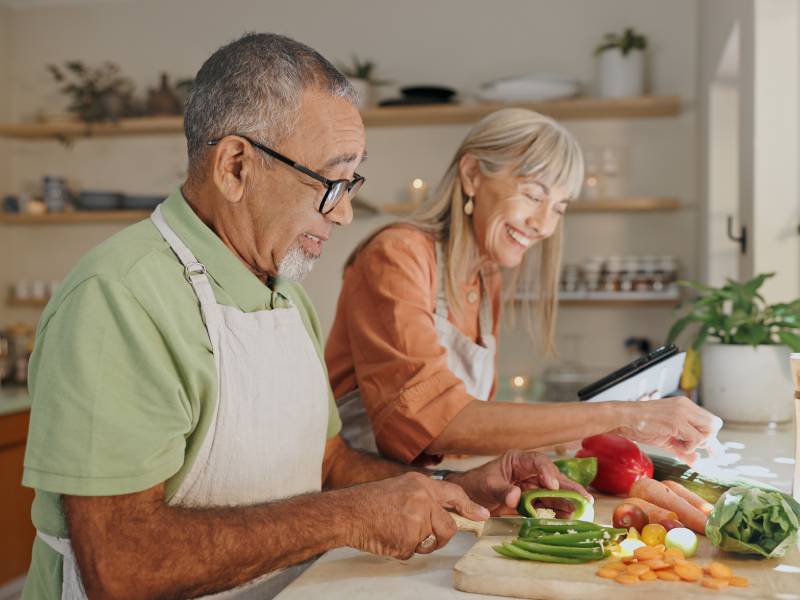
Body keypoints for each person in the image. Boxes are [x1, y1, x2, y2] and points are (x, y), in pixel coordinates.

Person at [21, 34, 588, 600]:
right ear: (236, 166)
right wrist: (347, 517)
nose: (342, 213)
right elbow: (122, 566)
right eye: (330, 182)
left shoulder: (287, 298)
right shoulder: (118, 299)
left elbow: (330, 462)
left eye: (351, 184)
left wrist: (454, 488)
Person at [325, 108, 718, 466]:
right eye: (533, 195)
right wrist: (624, 414)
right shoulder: (396, 255)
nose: (545, 225)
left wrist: (609, 427)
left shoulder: (486, 275)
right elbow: (434, 421)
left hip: (427, 496)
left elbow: (468, 429)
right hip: (363, 504)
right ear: (473, 174)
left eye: (560, 208)